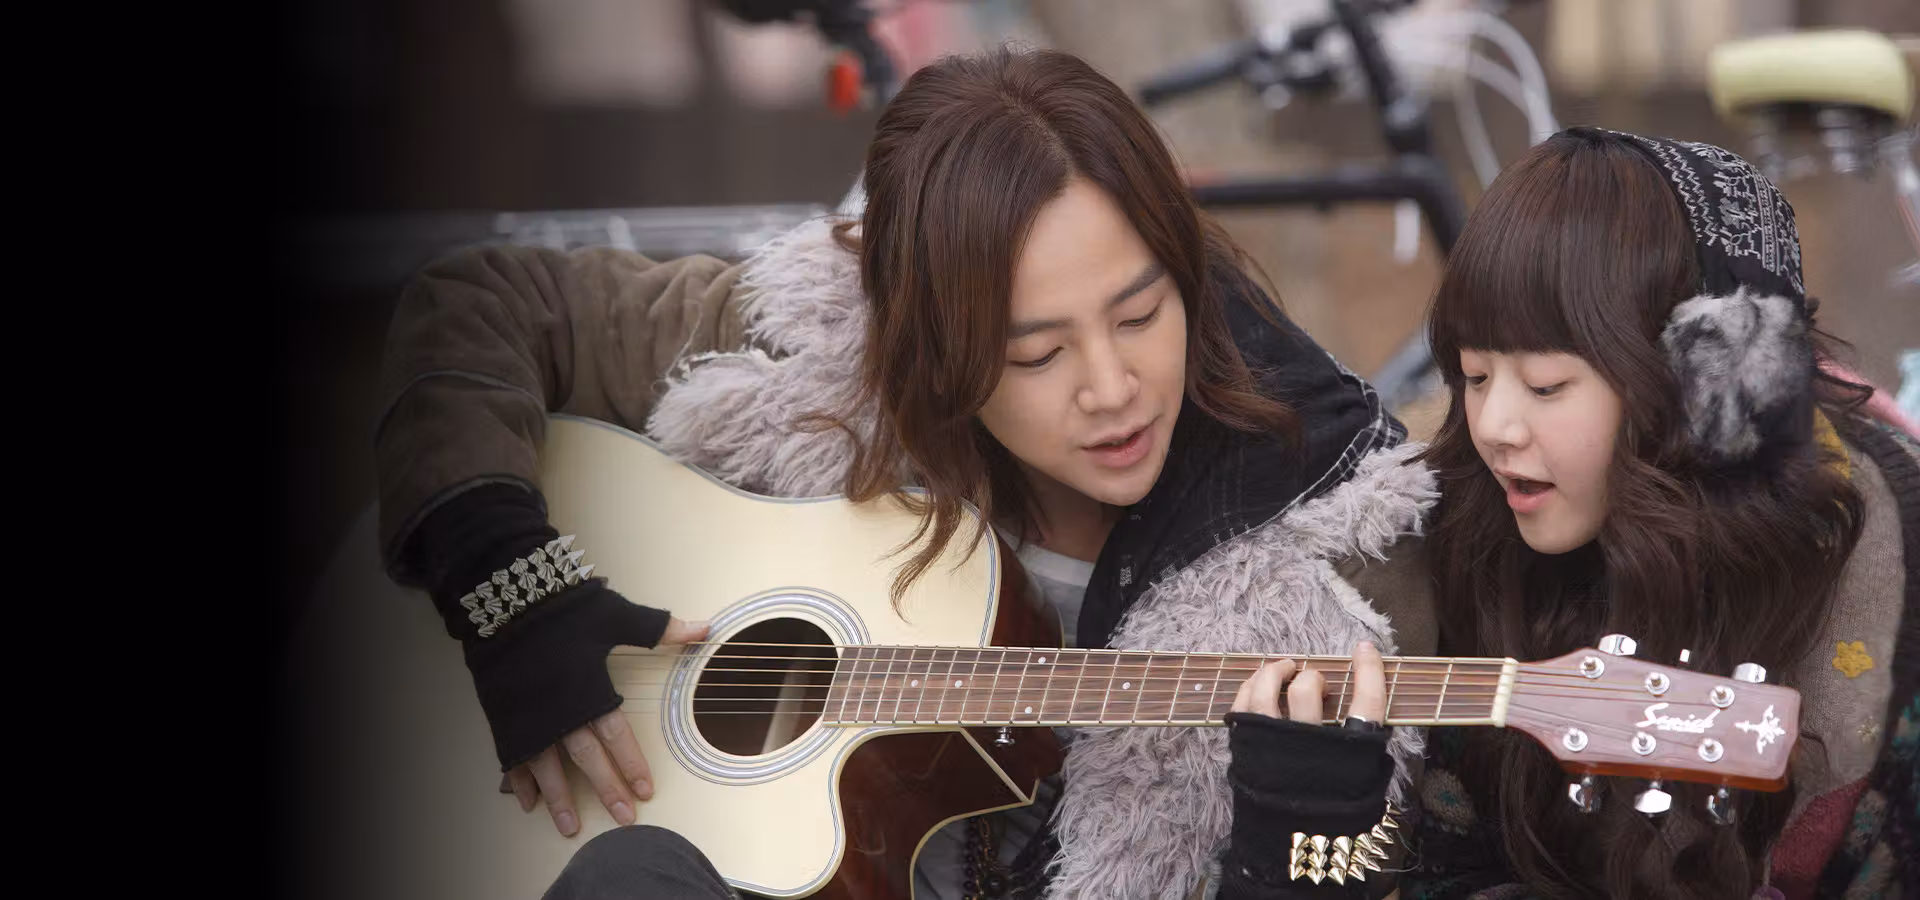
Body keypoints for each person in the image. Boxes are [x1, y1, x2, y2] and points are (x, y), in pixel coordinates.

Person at [375, 46, 1437, 899]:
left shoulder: (1337, 558)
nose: (1112, 388)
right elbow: (479, 303)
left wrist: (1300, 854)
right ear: (926, 344)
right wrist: (509, 588)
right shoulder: (815, 358)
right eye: (1036, 353)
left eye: (1140, 314)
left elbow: (1417, 862)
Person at [1389, 127, 1918, 900]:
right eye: (1473, 376)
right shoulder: (1457, 530)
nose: (1494, 427)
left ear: (1702, 385)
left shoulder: (1880, 563)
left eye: (1545, 386)